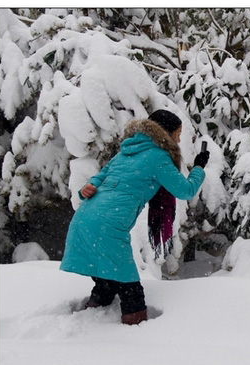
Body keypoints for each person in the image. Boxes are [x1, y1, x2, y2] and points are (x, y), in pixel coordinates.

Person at [60, 109, 210, 325]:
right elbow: (185, 190)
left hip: (85, 218)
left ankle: (92, 316)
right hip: (109, 226)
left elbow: (101, 177)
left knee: (107, 280)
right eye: (177, 133)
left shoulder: (125, 153)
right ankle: (133, 334)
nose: (179, 139)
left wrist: (88, 186)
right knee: (131, 291)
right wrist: (198, 167)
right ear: (165, 133)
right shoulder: (158, 157)